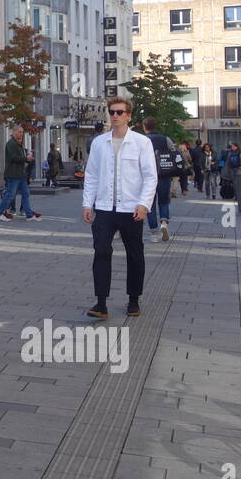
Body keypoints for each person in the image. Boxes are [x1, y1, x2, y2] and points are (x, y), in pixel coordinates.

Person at [82, 97, 157, 319]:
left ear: (129, 115)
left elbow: (150, 176)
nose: (115, 116)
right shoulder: (99, 143)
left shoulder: (141, 143)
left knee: (135, 254)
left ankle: (133, 300)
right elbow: (92, 175)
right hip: (105, 207)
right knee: (101, 251)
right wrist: (88, 203)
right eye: (112, 112)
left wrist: (144, 204)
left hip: (131, 208)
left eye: (120, 112)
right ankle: (101, 303)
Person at [0, 126, 41, 222]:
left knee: (26, 194)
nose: (21, 134)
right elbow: (13, 158)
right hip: (13, 174)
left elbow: (20, 157)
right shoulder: (11, 143)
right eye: (19, 132)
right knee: (10, 195)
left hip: (21, 174)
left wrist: (27, 159)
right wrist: (26, 159)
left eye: (22, 132)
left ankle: (29, 215)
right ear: (14, 132)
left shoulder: (18, 144)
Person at [142, 117, 175, 242]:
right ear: (156, 126)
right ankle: (164, 223)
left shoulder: (142, 140)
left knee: (150, 204)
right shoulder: (165, 139)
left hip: (148, 177)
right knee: (163, 201)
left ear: (145, 127)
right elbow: (173, 153)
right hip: (164, 174)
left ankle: (154, 233)